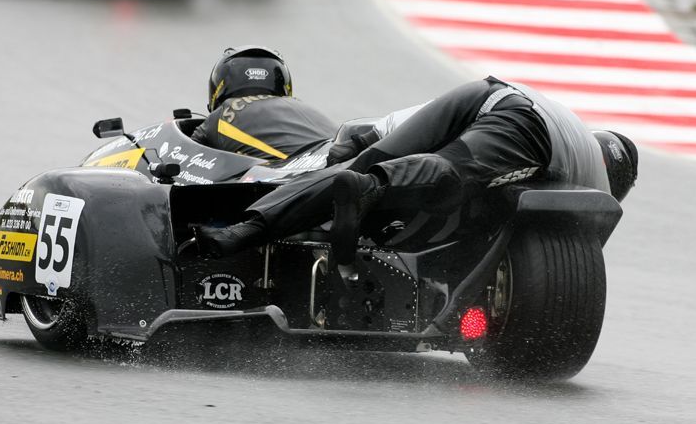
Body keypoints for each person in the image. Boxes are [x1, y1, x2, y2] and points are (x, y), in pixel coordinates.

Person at [196, 76, 638, 265]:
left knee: (360, 166)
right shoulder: (592, 189)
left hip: (483, 92)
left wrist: (365, 144)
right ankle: (371, 188)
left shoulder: (572, 131)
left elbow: (389, 127)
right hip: (520, 125)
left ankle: (245, 230)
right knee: (450, 177)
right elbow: (576, 264)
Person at [191, 45, 338, 160]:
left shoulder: (220, 116)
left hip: (298, 173)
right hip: (341, 153)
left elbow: (186, 155)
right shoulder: (301, 106)